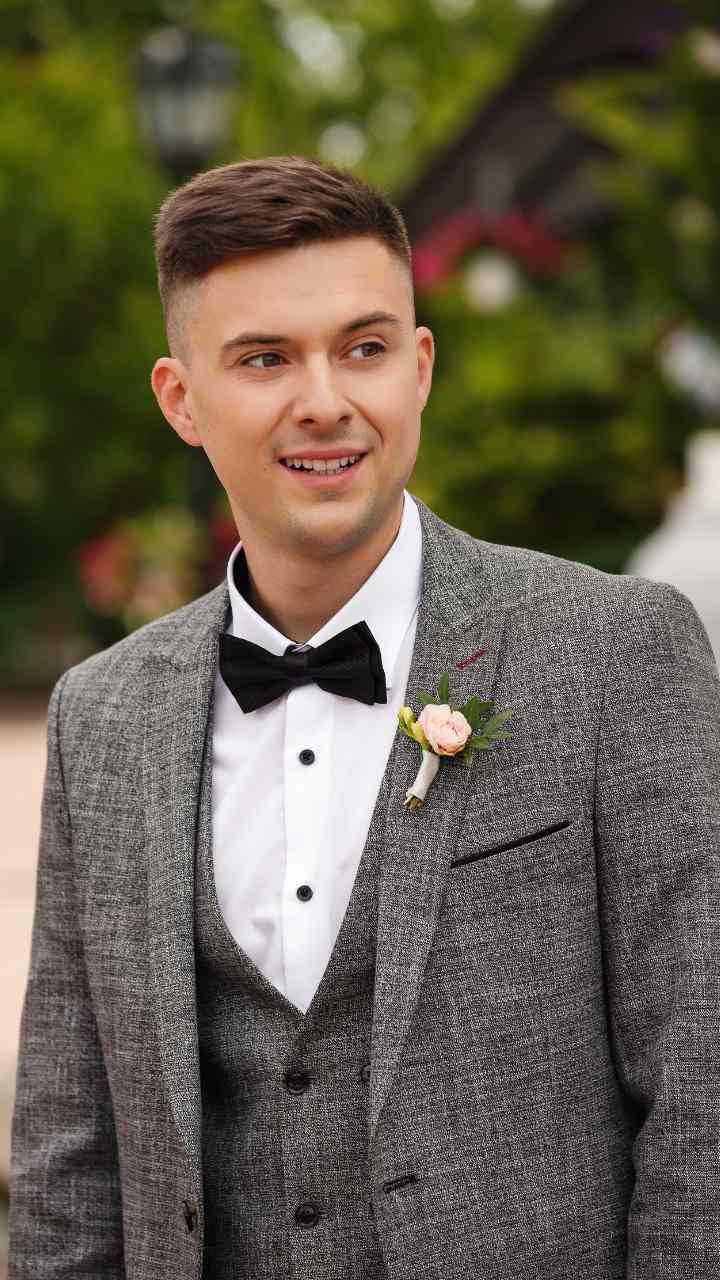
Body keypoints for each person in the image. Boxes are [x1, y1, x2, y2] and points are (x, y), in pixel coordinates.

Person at [9, 155, 720, 1280]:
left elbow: (703, 1090)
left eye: (364, 347)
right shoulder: (102, 717)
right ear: (181, 399)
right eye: (265, 359)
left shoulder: (614, 651)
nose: (326, 400)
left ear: (420, 367)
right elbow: (69, 1159)